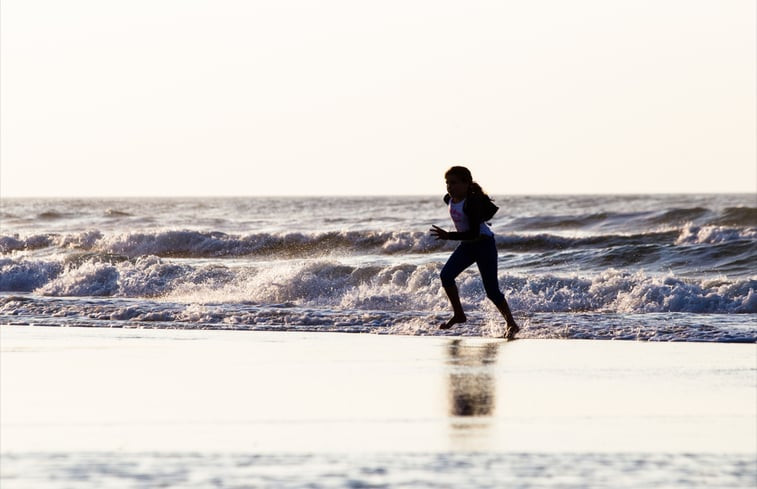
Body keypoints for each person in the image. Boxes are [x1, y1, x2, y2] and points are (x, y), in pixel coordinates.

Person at [429, 166, 520, 339]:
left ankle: (511, 323)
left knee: (492, 291)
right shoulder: (448, 199)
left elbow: (474, 233)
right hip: (467, 246)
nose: (450, 187)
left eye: (454, 183)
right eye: (447, 183)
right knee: (446, 276)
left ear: (466, 183)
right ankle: (459, 314)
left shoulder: (472, 203)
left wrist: (448, 235)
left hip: (484, 245)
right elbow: (467, 234)